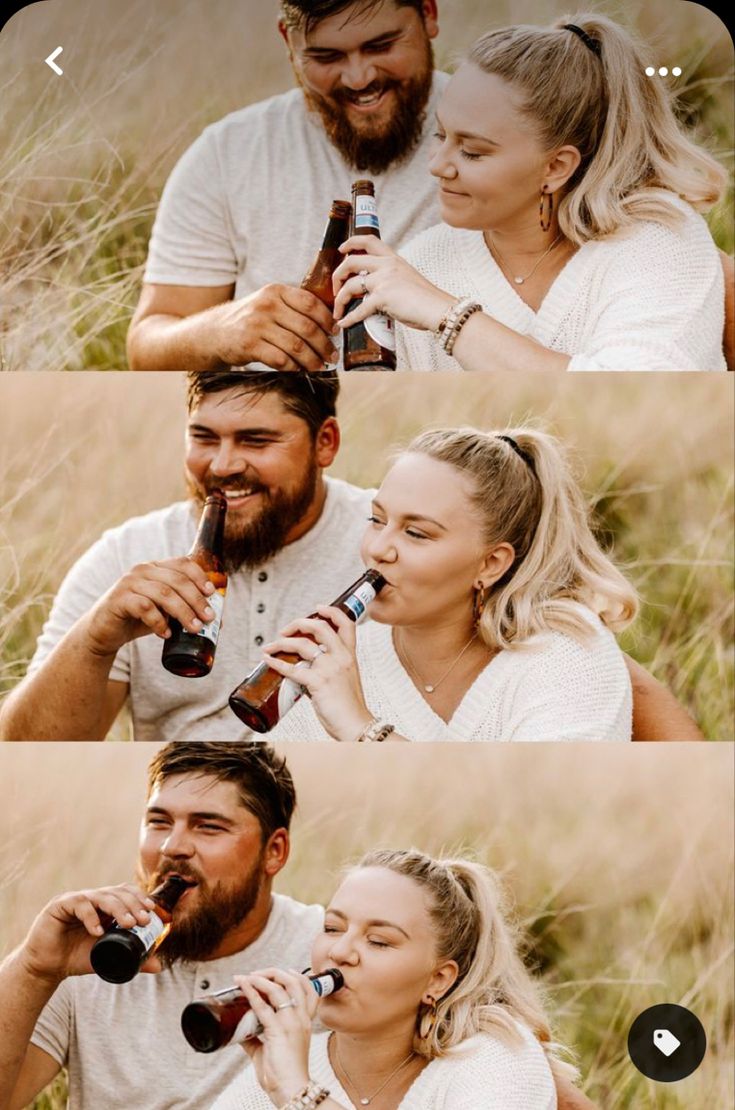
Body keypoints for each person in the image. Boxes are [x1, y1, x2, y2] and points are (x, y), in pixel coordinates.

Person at [0, 371, 704, 742]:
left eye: (255, 440)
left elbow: (596, 666)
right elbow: (25, 759)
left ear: (325, 443)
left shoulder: (419, 540)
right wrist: (97, 640)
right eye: (203, 436)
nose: (222, 465)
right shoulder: (127, 556)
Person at [332, 13, 729, 371]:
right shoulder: (424, 262)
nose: (437, 165)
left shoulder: (659, 241)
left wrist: (446, 315)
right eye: (440, 135)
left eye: (471, 151)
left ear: (556, 167)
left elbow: (639, 392)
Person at [0, 742, 324, 1110]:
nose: (173, 846)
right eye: (159, 822)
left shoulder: (326, 950)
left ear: (274, 851)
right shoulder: (90, 950)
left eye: (208, 826)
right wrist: (34, 968)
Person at [126, 0, 446, 372]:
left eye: (381, 46)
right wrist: (221, 331)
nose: (358, 78)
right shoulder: (226, 154)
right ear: (288, 43)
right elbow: (147, 345)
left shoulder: (505, 137)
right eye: (327, 57)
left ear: (428, 14)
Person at [263, 427, 637, 741]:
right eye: (376, 520)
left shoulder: (564, 654)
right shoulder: (339, 666)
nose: (377, 549)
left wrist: (361, 728)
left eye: (416, 533)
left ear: (491, 564)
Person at [209, 850, 567, 1109]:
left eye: (378, 941)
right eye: (332, 928)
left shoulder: (494, 1056)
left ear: (438, 980)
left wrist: (299, 1094)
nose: (340, 951)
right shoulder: (284, 1069)